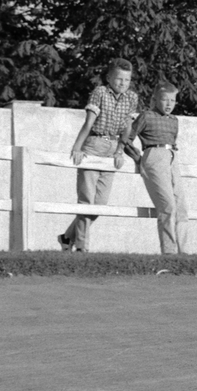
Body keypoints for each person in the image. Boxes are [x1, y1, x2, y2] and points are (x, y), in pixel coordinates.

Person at [59, 58, 140, 252]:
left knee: (100, 204)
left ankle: (67, 238)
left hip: (113, 148)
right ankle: (81, 247)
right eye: (119, 78)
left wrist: (120, 150)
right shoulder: (100, 93)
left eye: (127, 80)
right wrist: (77, 147)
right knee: (87, 198)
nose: (122, 83)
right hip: (94, 145)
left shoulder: (131, 98)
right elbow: (88, 123)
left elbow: (128, 128)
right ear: (109, 78)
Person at [125, 81, 188, 254]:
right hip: (153, 155)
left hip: (172, 158)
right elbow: (127, 139)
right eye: (164, 100)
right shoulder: (146, 116)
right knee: (167, 206)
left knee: (181, 207)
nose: (169, 104)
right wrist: (138, 158)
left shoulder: (174, 120)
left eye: (173, 101)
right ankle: (169, 251)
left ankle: (183, 251)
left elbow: (172, 142)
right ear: (155, 100)